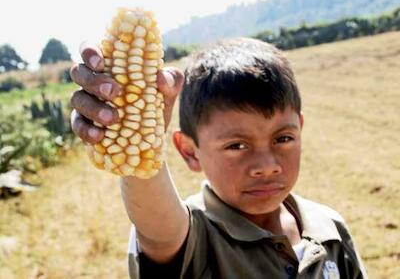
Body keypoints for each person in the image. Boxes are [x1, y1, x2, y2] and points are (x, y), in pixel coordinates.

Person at [70, 37, 367, 278]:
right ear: (189, 151)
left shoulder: (329, 228)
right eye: (237, 146)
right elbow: (157, 228)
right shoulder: (197, 238)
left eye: (283, 138)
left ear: (300, 129)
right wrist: (136, 137)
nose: (266, 166)